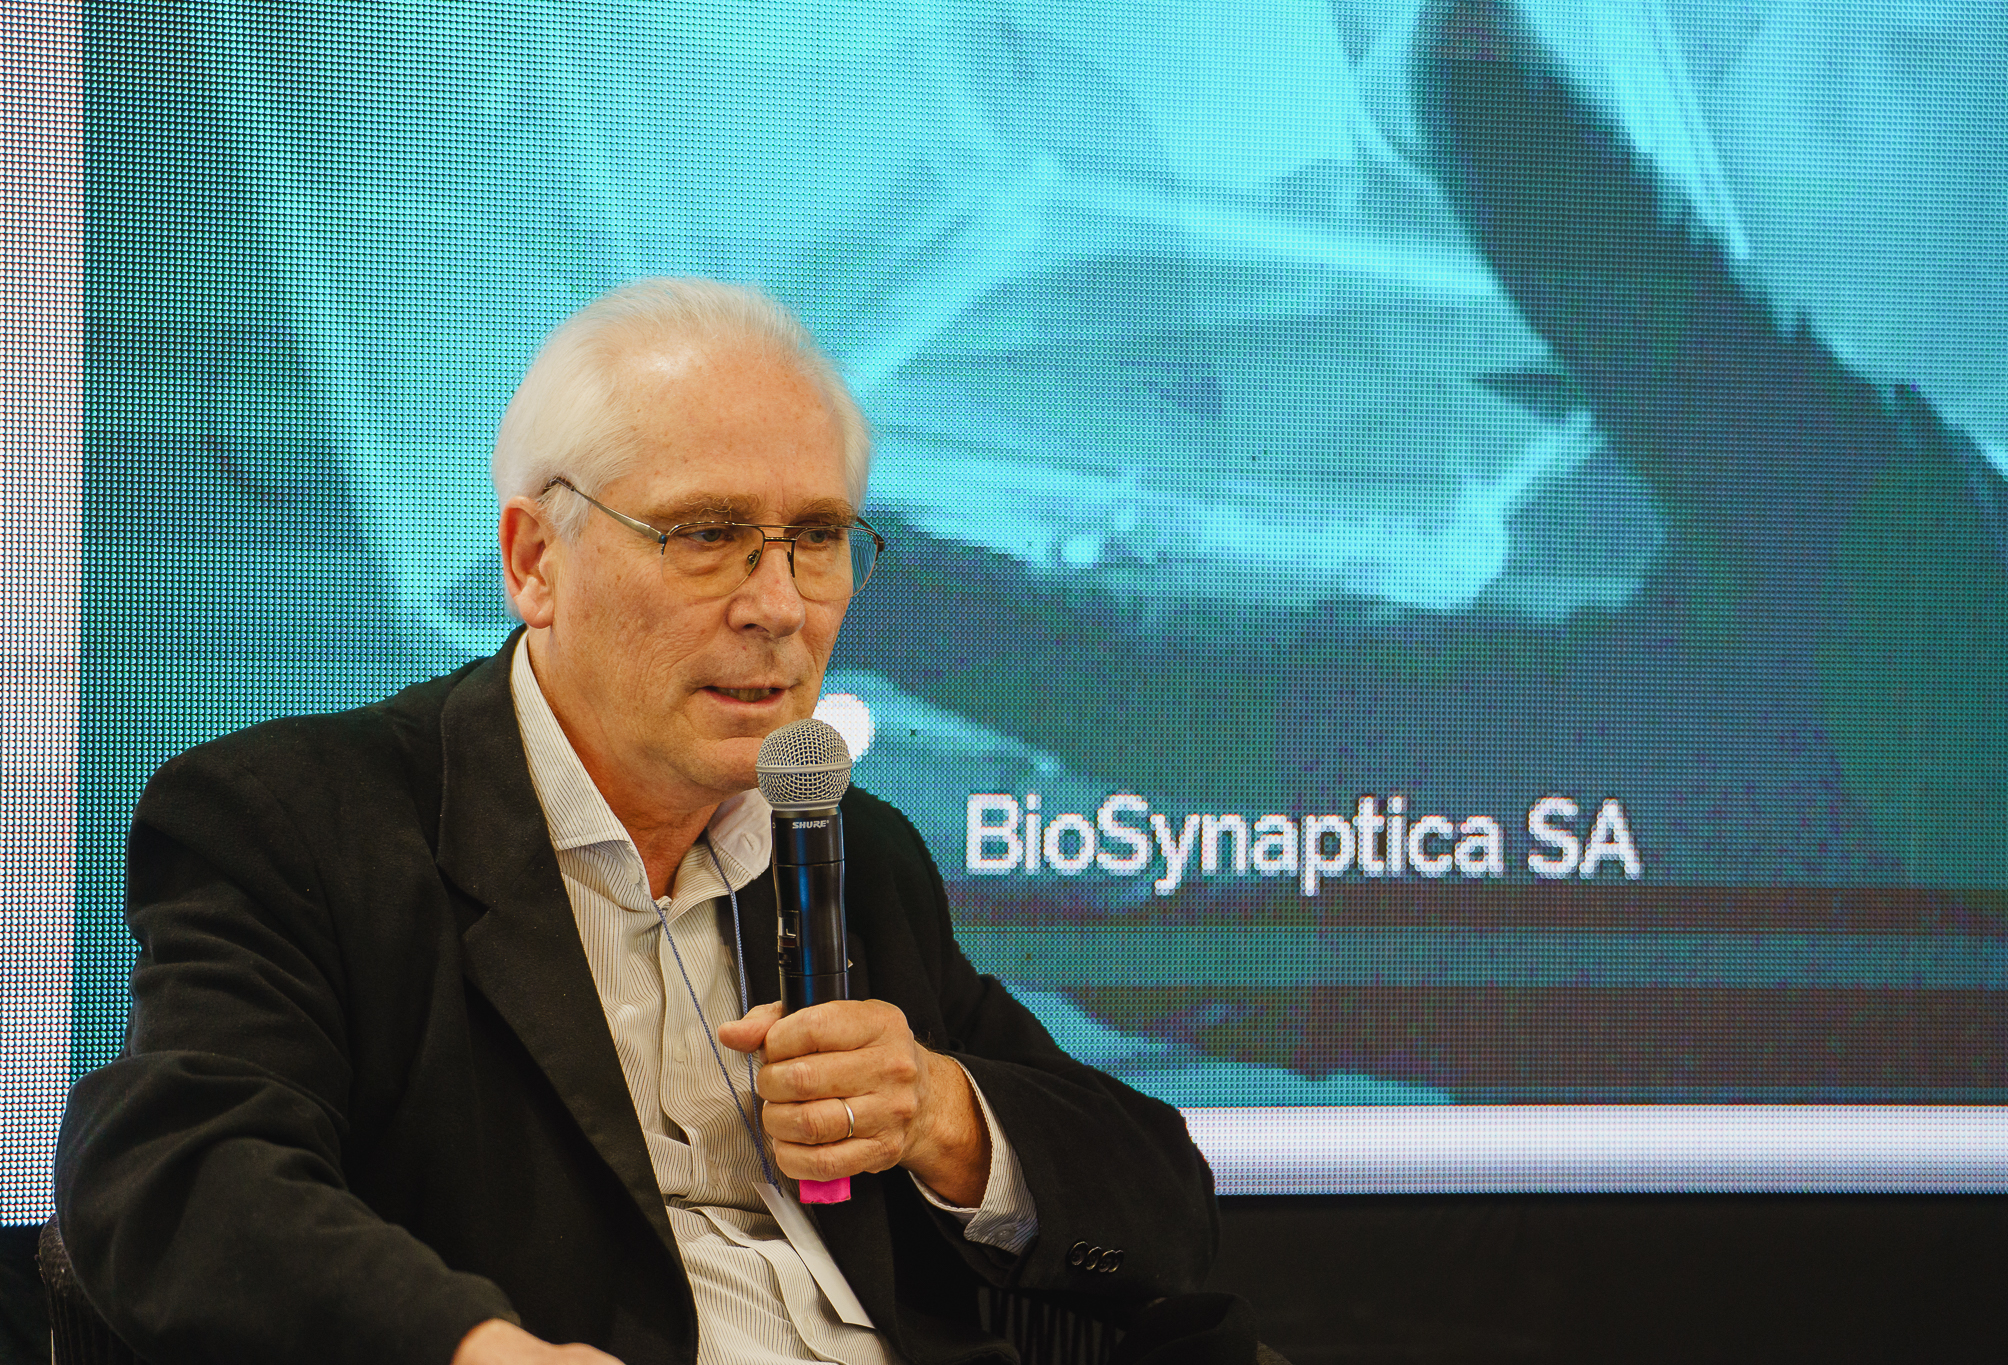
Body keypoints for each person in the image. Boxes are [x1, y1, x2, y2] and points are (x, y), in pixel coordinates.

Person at [54, 278, 1222, 1364]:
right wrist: (470, 1351)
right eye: (705, 535)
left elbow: (1164, 1211)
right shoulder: (307, 824)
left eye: (817, 538)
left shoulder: (850, 854)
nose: (779, 607)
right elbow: (179, 1175)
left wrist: (941, 1115)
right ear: (534, 562)